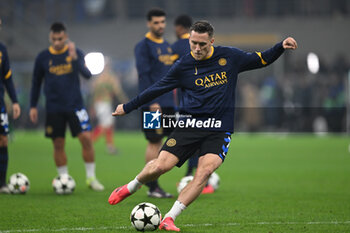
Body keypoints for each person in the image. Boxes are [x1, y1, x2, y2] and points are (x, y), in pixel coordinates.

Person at [109, 20, 297, 231]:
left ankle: (170, 217)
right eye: (193, 43)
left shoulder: (230, 57)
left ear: (212, 42)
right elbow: (157, 88)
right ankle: (131, 186)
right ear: (189, 40)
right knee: (162, 165)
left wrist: (281, 46)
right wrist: (128, 106)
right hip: (189, 125)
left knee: (204, 171)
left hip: (219, 128)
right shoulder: (183, 66)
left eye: (202, 44)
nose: (197, 48)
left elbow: (262, 59)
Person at [29, 22, 104, 191]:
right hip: (54, 108)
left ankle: (91, 178)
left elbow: (88, 75)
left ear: (66, 36)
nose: (57, 42)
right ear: (50, 37)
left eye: (60, 39)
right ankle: (63, 178)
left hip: (76, 106)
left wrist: (76, 59)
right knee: (58, 143)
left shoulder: (75, 53)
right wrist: (33, 105)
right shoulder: (42, 57)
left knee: (86, 139)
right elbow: (35, 82)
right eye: (54, 39)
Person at [134, 8, 176, 198]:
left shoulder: (167, 45)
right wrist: (151, 100)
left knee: (173, 140)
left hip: (168, 103)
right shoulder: (143, 46)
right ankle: (152, 186)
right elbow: (143, 76)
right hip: (153, 104)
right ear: (149, 24)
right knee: (154, 142)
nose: (160, 26)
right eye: (156, 22)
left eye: (162, 22)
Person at [171, 14, 214, 194]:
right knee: (203, 142)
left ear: (180, 28)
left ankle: (154, 183)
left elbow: (172, 79)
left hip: (183, 103)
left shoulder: (174, 47)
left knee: (157, 141)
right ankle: (196, 176)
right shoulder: (209, 51)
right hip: (207, 104)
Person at [0, 19, 21, 193]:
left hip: (0, 103)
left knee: (3, 140)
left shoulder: (2, 49)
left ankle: (1, 184)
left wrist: (14, 101)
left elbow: (7, 78)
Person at [91, 58, 128, 154]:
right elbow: (117, 90)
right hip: (104, 103)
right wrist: (125, 101)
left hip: (99, 103)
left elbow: (94, 91)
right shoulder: (111, 77)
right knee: (105, 124)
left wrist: (93, 105)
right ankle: (89, 143)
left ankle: (110, 146)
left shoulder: (98, 78)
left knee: (109, 124)